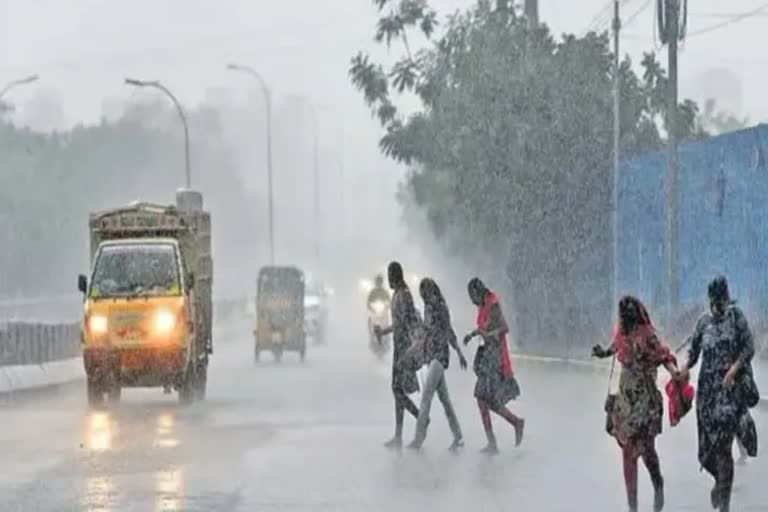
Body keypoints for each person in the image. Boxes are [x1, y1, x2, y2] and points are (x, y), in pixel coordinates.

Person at [677, 276, 755, 512]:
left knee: (724, 447)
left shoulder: (736, 318)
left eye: (721, 302)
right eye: (714, 303)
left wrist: (734, 368)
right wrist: (683, 369)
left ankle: (725, 504)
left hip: (730, 394)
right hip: (708, 396)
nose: (718, 307)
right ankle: (720, 486)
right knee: (708, 453)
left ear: (727, 299)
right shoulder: (703, 323)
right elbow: (693, 353)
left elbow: (749, 347)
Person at [593, 295, 677, 512]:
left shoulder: (648, 335)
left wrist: (675, 372)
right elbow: (615, 346)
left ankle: (658, 483)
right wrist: (603, 352)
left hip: (645, 403)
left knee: (647, 450)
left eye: (627, 319)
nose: (625, 323)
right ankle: (633, 507)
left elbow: (663, 355)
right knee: (628, 453)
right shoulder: (621, 331)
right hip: (626, 402)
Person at [463, 278, 524, 454]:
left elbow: (504, 328)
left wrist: (487, 334)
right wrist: (473, 334)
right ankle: (513, 424)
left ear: (478, 292)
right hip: (488, 357)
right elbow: (483, 328)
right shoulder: (483, 306)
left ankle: (496, 440)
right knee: (486, 400)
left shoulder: (493, 305)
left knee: (483, 398)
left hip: (495, 358)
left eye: (472, 296)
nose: (471, 300)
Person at [406, 278, 467, 451]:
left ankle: (418, 438)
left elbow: (448, 330)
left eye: (423, 293)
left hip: (440, 356)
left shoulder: (439, 306)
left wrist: (459, 352)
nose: (423, 296)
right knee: (445, 400)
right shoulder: (428, 307)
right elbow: (428, 330)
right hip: (433, 355)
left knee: (426, 397)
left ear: (429, 291)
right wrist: (417, 345)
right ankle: (458, 436)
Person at [374, 262, 421, 449]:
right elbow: (398, 324)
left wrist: (412, 346)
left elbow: (405, 324)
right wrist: (384, 332)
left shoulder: (403, 296)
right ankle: (399, 435)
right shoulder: (397, 295)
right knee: (398, 390)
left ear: (395, 276)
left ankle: (420, 417)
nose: (388, 280)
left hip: (405, 348)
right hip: (399, 347)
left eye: (389, 275)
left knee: (397, 389)